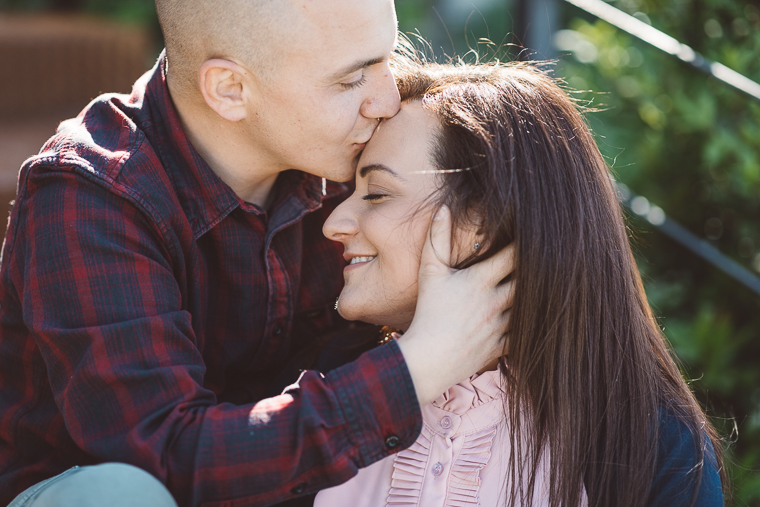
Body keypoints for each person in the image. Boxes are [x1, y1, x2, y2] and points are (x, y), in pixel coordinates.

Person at [0, 1, 514, 506]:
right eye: (351, 79)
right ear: (231, 90)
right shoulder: (91, 194)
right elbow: (169, 460)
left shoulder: (352, 156)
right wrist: (422, 364)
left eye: (388, 59)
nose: (386, 100)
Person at [317, 58, 726, 506]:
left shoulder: (650, 445)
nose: (334, 223)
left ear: (488, 223)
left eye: (376, 194)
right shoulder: (323, 395)